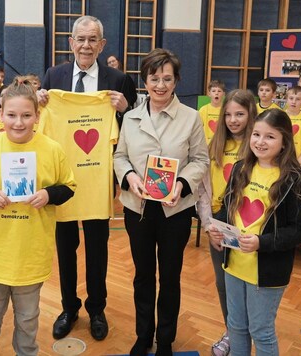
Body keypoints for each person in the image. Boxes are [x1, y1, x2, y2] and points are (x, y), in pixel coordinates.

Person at [37, 15, 137, 341]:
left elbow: (134, 124)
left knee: (97, 248)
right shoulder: (54, 75)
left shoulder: (119, 79)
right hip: (63, 182)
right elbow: (41, 124)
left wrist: (123, 109)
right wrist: (39, 104)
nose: (86, 45)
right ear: (71, 42)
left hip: (97, 181)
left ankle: (97, 308)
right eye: (80, 39)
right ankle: (69, 307)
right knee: (65, 248)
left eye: (93, 39)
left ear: (102, 44)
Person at [0, 80, 76, 355]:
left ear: (37, 116)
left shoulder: (52, 148)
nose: (19, 122)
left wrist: (48, 194)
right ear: (1, 114)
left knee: (27, 320)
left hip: (31, 253)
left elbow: (68, 188)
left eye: (26, 115)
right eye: (11, 115)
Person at [114, 48, 209, 356]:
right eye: (154, 78)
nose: (160, 85)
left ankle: (165, 340)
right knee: (143, 276)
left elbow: (200, 160)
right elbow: (119, 156)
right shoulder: (130, 117)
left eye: (167, 79)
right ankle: (144, 336)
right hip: (138, 208)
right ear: (145, 80)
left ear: (177, 81)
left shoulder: (191, 117)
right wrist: (129, 176)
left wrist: (182, 184)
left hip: (175, 211)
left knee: (169, 277)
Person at [208, 109, 301, 356]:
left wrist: (261, 243)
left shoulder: (293, 179)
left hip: (266, 272)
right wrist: (217, 229)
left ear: (285, 141)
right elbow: (227, 208)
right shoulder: (240, 168)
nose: (260, 142)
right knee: (235, 326)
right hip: (233, 264)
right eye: (256, 134)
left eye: (270, 137)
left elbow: (300, 230)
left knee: (261, 331)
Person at [197, 89, 257, 356]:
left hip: (249, 224)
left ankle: (250, 333)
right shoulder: (214, 146)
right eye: (229, 115)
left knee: (247, 286)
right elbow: (204, 190)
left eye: (240, 114)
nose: (233, 120)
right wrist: (208, 224)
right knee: (223, 284)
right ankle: (231, 332)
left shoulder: (258, 146)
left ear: (251, 115)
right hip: (219, 225)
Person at [198, 79, 226, 144]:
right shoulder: (203, 110)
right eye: (213, 91)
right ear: (209, 94)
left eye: (219, 91)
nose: (216, 93)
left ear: (223, 94)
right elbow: (197, 129)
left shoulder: (226, 110)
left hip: (221, 144)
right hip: (206, 145)